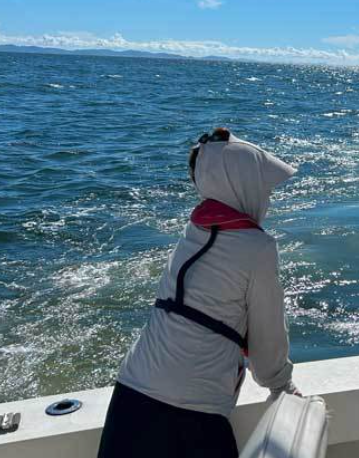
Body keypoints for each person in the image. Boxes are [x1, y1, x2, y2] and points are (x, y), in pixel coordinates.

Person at [98, 128, 300, 458]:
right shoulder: (258, 248)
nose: (268, 198)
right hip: (193, 412)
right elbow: (266, 344)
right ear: (243, 186)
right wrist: (281, 385)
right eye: (264, 189)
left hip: (131, 396)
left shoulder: (193, 231)